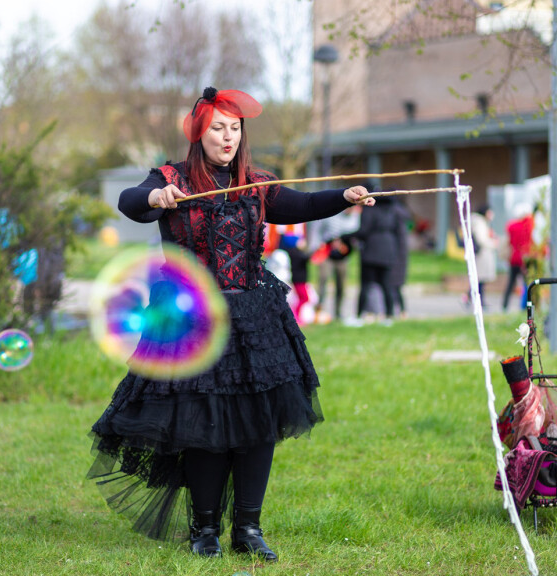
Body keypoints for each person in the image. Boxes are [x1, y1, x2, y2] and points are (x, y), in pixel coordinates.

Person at [87, 87, 375, 561]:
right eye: (218, 127)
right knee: (205, 422)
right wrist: (157, 197)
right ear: (199, 132)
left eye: (235, 128)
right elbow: (129, 201)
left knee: (259, 424)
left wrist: (344, 196)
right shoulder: (171, 176)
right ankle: (204, 530)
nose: (228, 136)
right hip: (191, 318)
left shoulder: (255, 182)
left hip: (253, 318)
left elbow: (300, 205)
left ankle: (248, 527)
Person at [353, 192, 399, 323]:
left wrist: (346, 236)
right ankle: (389, 316)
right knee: (387, 286)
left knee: (366, 285)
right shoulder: (392, 212)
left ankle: (359, 315)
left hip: (371, 252)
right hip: (388, 251)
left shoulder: (370, 211)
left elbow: (363, 231)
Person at [309, 206, 361, 321]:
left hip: (342, 256)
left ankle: (338, 312)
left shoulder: (355, 218)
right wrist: (316, 246)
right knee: (323, 280)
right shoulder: (332, 213)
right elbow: (317, 229)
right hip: (326, 253)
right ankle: (318, 311)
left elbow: (356, 236)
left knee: (341, 284)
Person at [501, 203, 534, 312]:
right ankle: (525, 306)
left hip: (514, 258)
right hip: (526, 258)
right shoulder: (529, 226)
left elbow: (510, 241)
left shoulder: (512, 226)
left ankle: (505, 305)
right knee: (528, 283)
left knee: (511, 283)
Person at [469, 203, 498, 308]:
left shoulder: (481, 223)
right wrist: (493, 243)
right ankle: (477, 301)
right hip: (482, 255)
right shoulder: (479, 223)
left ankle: (472, 299)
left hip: (483, 255)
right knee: (479, 280)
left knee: (479, 280)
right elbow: (482, 240)